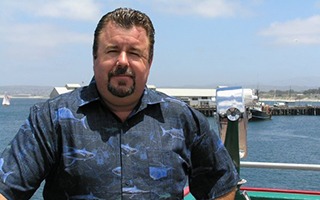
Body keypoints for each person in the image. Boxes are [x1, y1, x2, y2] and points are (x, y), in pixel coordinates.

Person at [0, 8, 239, 199]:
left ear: (150, 61)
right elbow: (6, 189)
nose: (122, 62)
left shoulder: (183, 119)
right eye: (112, 51)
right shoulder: (51, 119)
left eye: (134, 53)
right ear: (95, 58)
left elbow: (221, 185)